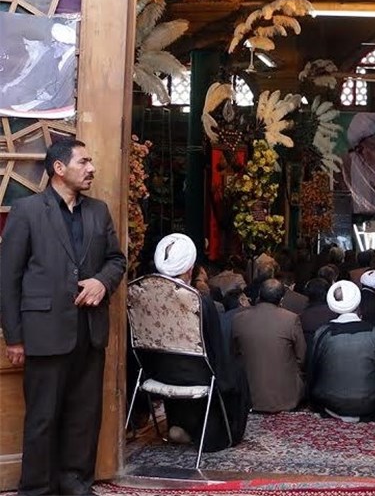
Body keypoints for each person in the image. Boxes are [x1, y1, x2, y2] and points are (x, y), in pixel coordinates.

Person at [0, 139, 127, 496]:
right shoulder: (27, 210)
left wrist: (102, 282)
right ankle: (36, 489)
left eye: (91, 162)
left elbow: (116, 260)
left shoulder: (98, 211)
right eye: (83, 162)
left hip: (90, 331)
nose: (91, 169)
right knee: (42, 418)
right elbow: (8, 277)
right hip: (44, 331)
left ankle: (75, 484)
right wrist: (14, 337)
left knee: (84, 417)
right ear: (59, 168)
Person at [147, 233, 250, 451]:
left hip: (156, 372)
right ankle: (209, 433)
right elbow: (215, 348)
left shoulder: (142, 295)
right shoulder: (197, 300)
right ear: (189, 269)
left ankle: (179, 424)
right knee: (235, 372)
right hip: (197, 374)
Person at [307, 280, 375, 422]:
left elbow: (312, 371)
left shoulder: (322, 333)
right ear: (358, 303)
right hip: (369, 404)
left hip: (329, 402)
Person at [233, 279, 306, 413]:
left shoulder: (239, 318)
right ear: (282, 300)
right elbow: (302, 356)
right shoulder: (291, 319)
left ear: (259, 295)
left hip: (248, 395)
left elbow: (233, 352)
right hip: (284, 398)